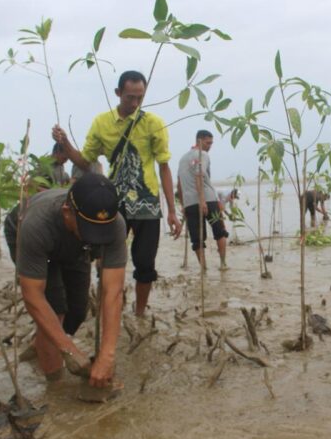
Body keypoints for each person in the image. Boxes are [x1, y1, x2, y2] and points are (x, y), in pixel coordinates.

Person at [52, 70, 182, 317]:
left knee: (145, 264)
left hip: (147, 205)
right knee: (106, 261)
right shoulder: (102, 123)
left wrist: (173, 211)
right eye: (129, 97)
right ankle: (109, 308)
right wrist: (66, 143)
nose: (134, 104)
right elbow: (84, 160)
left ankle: (140, 313)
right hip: (113, 204)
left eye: (139, 98)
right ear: (118, 93)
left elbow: (164, 166)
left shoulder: (154, 123)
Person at [3, 173, 127, 387]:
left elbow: (112, 292)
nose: (96, 237)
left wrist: (107, 354)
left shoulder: (114, 224)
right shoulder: (36, 225)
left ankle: (43, 343)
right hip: (32, 236)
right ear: (67, 213)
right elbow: (33, 296)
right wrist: (70, 350)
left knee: (77, 311)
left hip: (75, 246)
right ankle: (55, 386)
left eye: (101, 232)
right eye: (91, 231)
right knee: (55, 309)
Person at [177, 130, 229, 269]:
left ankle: (203, 269)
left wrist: (183, 204)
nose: (210, 146)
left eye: (211, 143)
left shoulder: (182, 159)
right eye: (208, 143)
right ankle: (223, 264)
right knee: (220, 231)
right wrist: (202, 201)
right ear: (199, 141)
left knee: (197, 239)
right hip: (207, 200)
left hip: (190, 204)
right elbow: (199, 174)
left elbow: (179, 184)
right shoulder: (203, 155)